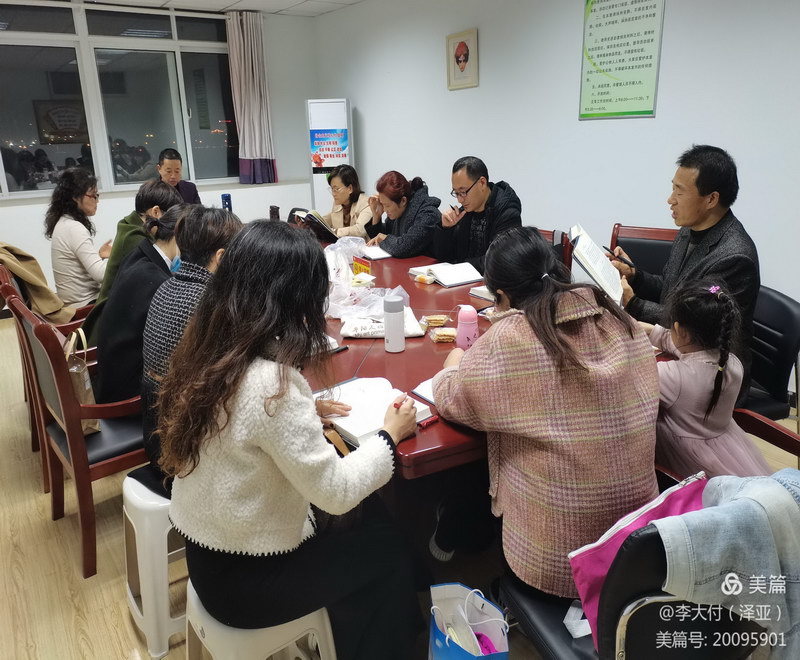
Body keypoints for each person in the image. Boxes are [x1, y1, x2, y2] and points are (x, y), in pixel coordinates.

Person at [157, 220, 424, 659]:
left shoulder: (211, 344)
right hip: (248, 579)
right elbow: (336, 491)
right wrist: (390, 435)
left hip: (209, 554)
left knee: (371, 522)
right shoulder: (272, 385)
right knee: (386, 554)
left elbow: (241, 424)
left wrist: (303, 415)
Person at [432, 226, 660, 598]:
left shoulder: (511, 339)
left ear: (502, 297)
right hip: (638, 543)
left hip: (559, 561)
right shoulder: (616, 317)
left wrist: (452, 365)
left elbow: (454, 399)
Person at [610, 145, 760, 395]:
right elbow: (671, 288)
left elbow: (696, 322)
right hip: (679, 350)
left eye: (679, 191)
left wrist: (634, 304)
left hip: (713, 376)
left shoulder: (735, 257)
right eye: (673, 188)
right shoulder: (689, 230)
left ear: (711, 199)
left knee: (623, 388)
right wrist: (635, 276)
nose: (670, 199)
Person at [139, 206, 243, 496]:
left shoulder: (166, 287)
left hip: (156, 437)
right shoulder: (211, 304)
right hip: (188, 455)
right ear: (221, 257)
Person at [641, 280, 771, 478]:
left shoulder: (673, 376)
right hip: (728, 449)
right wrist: (654, 332)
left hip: (686, 462)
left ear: (680, 331)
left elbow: (633, 378)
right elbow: (689, 348)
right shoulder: (732, 362)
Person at [94, 205, 187, 404]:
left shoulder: (140, 255)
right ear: (180, 236)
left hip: (110, 377)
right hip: (129, 395)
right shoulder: (155, 280)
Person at [83, 179, 183, 343]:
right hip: (114, 327)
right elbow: (160, 286)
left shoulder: (131, 226)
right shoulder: (137, 240)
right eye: (171, 218)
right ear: (156, 212)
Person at [433, 156, 522, 272]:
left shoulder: (507, 211)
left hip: (493, 281)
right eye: (456, 193)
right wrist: (446, 229)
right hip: (464, 278)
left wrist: (457, 267)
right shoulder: (465, 211)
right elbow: (444, 257)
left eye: (463, 192)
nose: (459, 200)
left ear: (482, 183)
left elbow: (499, 260)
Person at [45, 168, 111, 307]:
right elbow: (101, 275)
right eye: (94, 195)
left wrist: (100, 257)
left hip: (74, 302)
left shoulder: (64, 222)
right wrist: (121, 257)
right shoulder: (74, 228)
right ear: (75, 197)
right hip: (85, 305)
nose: (97, 201)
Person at [365, 171, 440, 257]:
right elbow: (380, 239)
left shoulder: (428, 214)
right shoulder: (400, 211)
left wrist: (384, 238)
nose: (384, 210)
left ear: (403, 201)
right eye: (382, 204)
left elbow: (404, 247)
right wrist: (376, 216)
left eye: (387, 205)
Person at [323, 165, 371, 238]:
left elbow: (360, 229)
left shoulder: (366, 204)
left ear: (350, 188)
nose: (333, 194)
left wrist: (336, 231)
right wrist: (312, 222)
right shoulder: (338, 203)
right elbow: (329, 218)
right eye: (332, 189)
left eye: (337, 189)